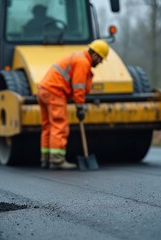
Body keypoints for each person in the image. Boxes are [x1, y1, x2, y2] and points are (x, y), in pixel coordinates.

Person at [37, 39, 109, 170]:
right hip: (55, 92)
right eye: (100, 59)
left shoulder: (78, 57)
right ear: (95, 55)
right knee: (59, 125)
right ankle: (57, 160)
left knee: (48, 126)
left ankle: (46, 159)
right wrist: (80, 107)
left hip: (43, 90)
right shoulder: (83, 63)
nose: (100, 63)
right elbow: (78, 87)